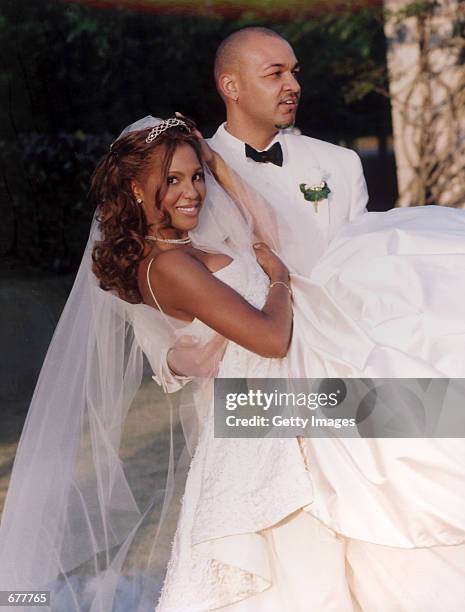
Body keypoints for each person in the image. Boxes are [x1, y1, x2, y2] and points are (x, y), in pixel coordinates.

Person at [1, 115, 465, 612]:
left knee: (417, 447)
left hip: (278, 401)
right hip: (263, 419)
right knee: (303, 561)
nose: (191, 192)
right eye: (172, 181)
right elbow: (269, 337)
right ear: (136, 189)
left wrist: (220, 166)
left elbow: (267, 240)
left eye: (195, 176)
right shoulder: (168, 265)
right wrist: (280, 282)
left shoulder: (188, 249)